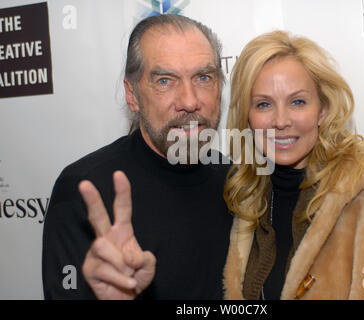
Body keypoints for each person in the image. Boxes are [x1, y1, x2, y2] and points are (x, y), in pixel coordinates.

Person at [222, 30, 364, 299]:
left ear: (323, 110)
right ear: (247, 116)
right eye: (264, 104)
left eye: (298, 102)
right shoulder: (247, 199)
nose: (280, 121)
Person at [42, 14, 233, 299]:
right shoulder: (84, 189)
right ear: (132, 95)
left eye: (203, 77)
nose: (190, 101)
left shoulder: (236, 180)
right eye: (166, 81)